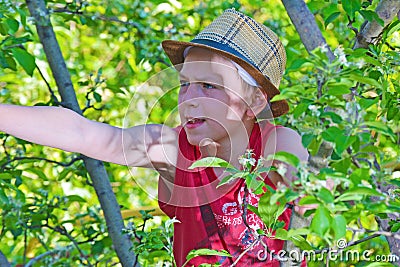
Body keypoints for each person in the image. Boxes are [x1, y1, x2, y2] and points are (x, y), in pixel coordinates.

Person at [0, 8, 308, 266]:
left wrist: (309, 189)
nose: (189, 97)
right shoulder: (173, 151)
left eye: (209, 86)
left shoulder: (278, 143)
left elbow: (301, 173)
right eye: (185, 83)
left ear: (255, 102)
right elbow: (83, 132)